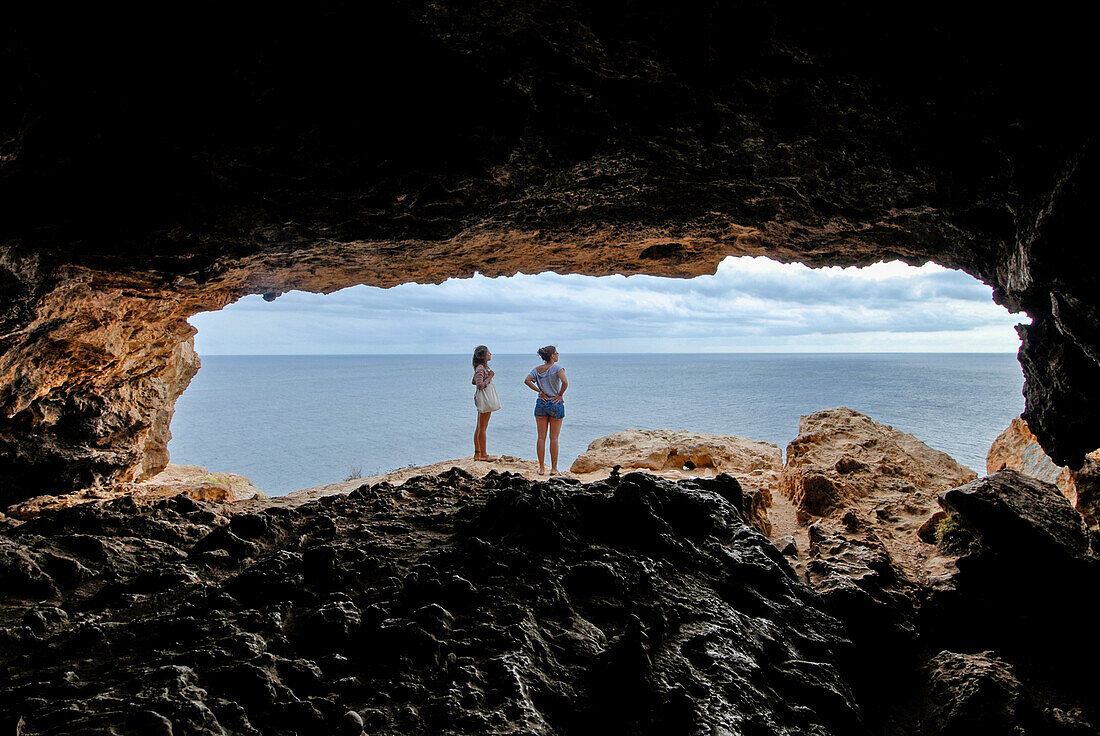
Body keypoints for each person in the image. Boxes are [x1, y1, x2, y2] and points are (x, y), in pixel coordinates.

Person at [524, 345, 567, 476]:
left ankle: (541, 468)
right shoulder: (558, 368)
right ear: (552, 356)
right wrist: (560, 395)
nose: (558, 354)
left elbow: (527, 381)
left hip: (541, 403)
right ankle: (554, 468)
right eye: (556, 353)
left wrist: (539, 391)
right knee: (554, 438)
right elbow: (565, 382)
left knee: (541, 437)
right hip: (555, 403)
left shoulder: (537, 370)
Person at [471, 345, 500, 461]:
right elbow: (479, 385)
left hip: (482, 398)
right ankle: (483, 454)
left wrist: (486, 377)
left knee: (480, 426)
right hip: (484, 399)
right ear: (483, 355)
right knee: (482, 427)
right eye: (488, 352)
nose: (490, 354)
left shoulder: (480, 369)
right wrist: (489, 377)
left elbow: (474, 381)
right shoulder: (481, 369)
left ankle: (478, 453)